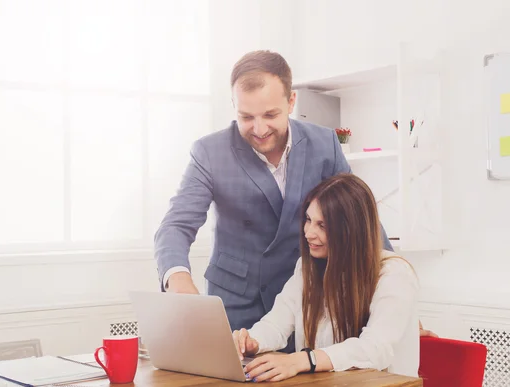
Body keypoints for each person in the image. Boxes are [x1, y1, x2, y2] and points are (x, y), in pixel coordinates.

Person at [154, 49, 393, 336]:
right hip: (236, 308)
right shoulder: (209, 152)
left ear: (291, 101)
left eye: (270, 115)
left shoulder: (324, 144)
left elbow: (360, 219)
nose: (259, 129)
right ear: (234, 106)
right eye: (246, 116)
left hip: (309, 303)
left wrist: (391, 292)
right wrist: (178, 280)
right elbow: (176, 225)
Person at [232, 173, 420, 382]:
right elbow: (276, 323)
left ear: (351, 230)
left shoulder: (394, 274)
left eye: (322, 225)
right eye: (309, 220)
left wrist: (304, 360)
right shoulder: (308, 268)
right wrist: (252, 341)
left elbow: (375, 348)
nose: (309, 233)